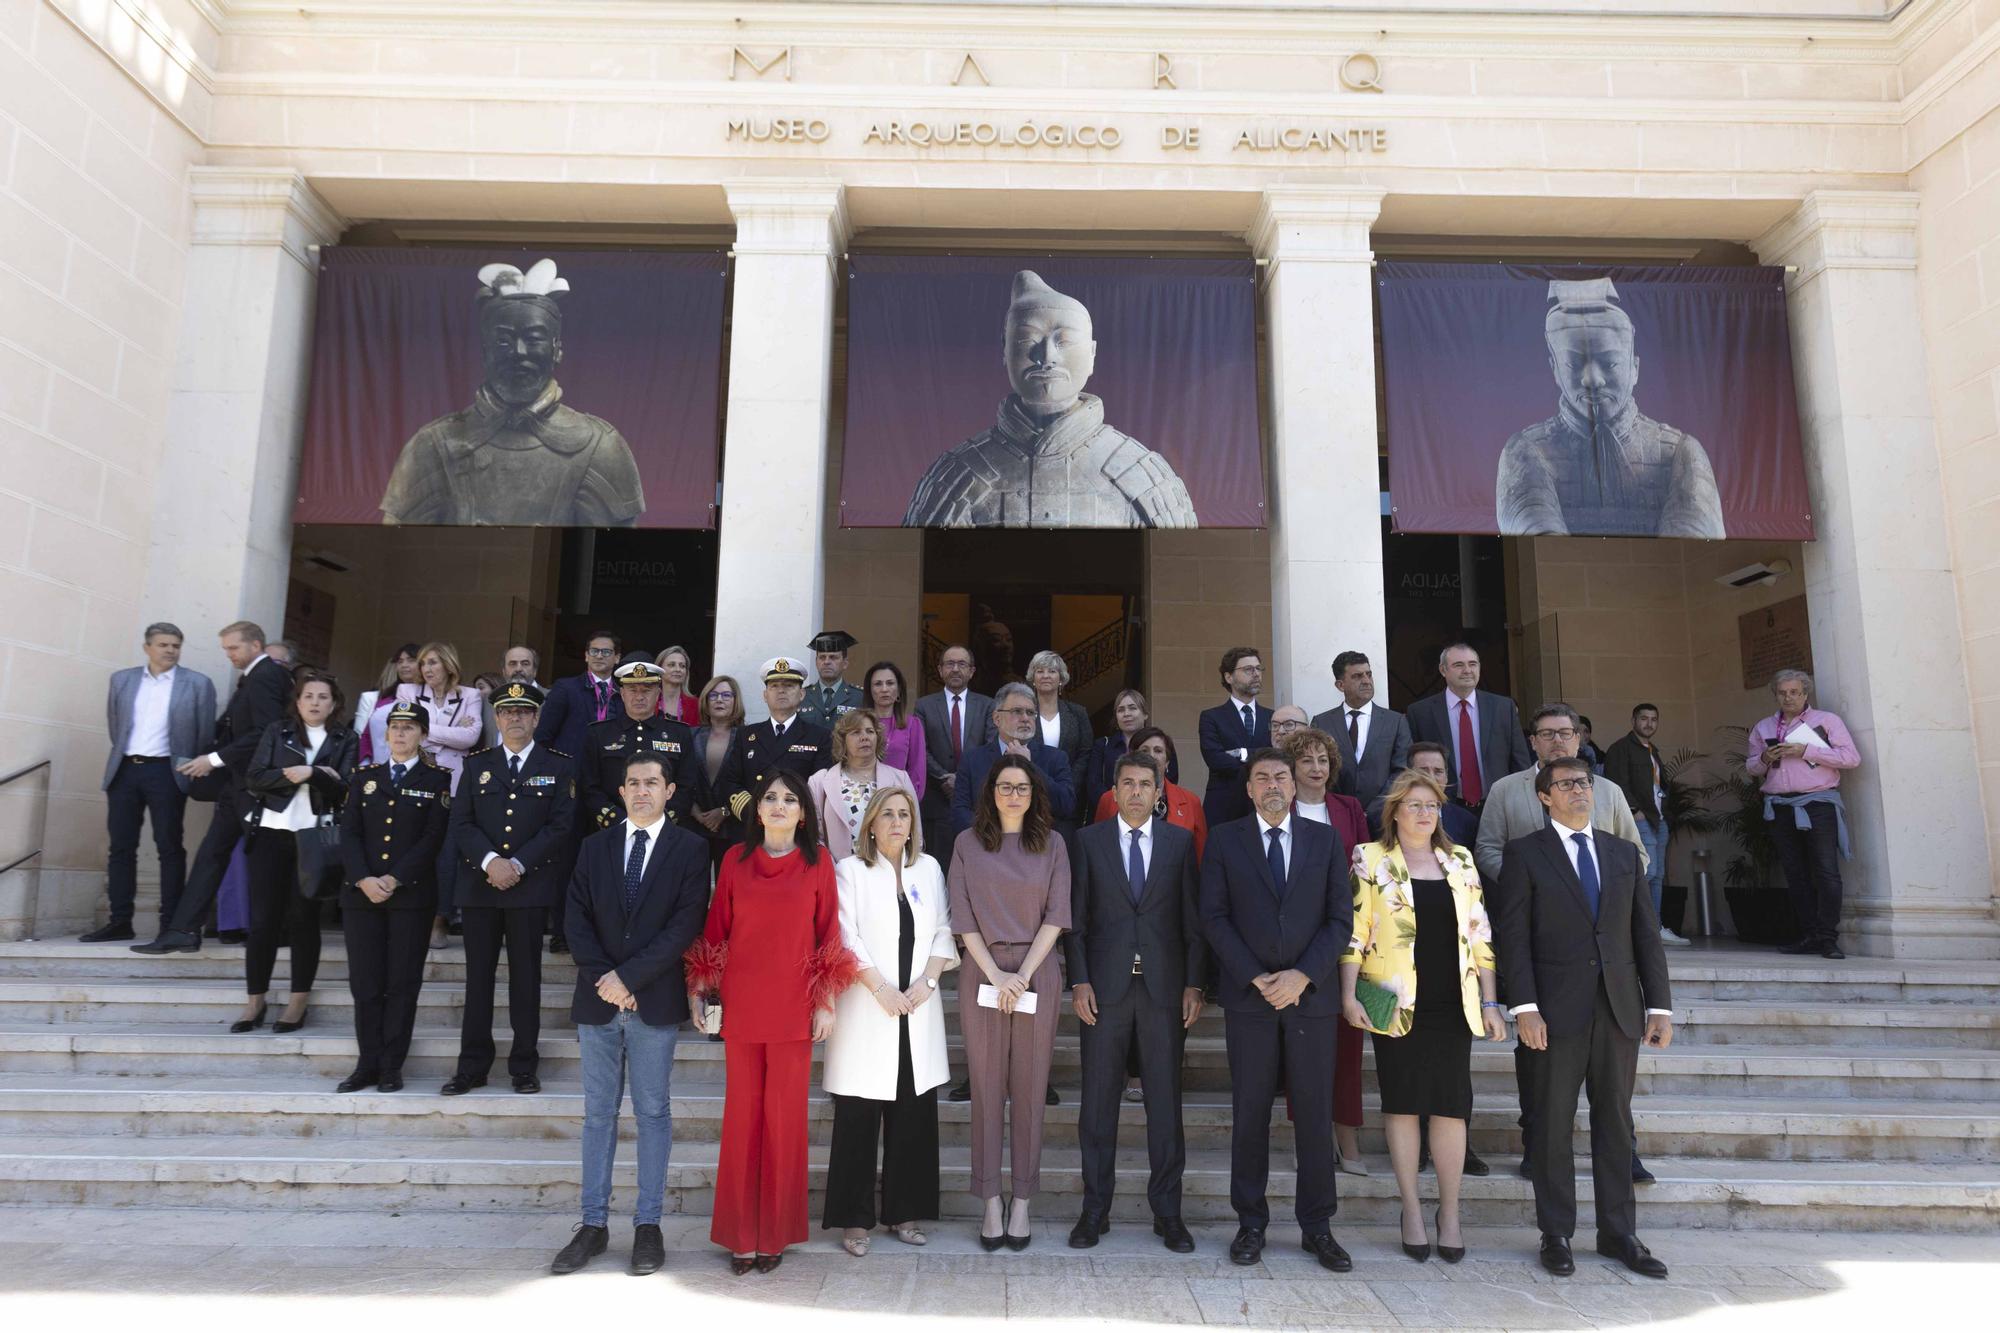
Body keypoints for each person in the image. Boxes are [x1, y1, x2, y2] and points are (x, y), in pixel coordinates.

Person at [1495, 757, 1675, 1280]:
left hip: (1619, 1008)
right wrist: (1523, 1006)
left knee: (1615, 1122)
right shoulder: (1525, 853)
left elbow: (1645, 933)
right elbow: (1514, 937)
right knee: (1552, 1123)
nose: (1578, 791)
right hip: (1552, 1011)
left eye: (1584, 783)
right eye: (1566, 784)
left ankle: (1620, 1233)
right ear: (1544, 796)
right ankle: (1556, 1234)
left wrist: (1658, 1004)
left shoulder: (1621, 853)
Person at [684, 769, 855, 1275]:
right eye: (770, 799)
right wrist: (699, 991)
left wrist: (826, 1000)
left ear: (804, 813)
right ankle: (741, 1235)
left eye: (789, 799)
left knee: (784, 1122)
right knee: (743, 1120)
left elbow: (829, 936)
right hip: (741, 1005)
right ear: (756, 811)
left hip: (794, 1008)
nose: (779, 805)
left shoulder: (819, 862)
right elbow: (715, 932)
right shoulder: (734, 860)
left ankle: (775, 1233)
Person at [1474, 702, 1649, 1182]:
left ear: (1580, 737)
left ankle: (1623, 1150)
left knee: (1611, 1069)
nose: (1557, 741)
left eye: (1565, 733)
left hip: (1603, 945)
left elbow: (1634, 854)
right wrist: (1529, 883)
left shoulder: (1606, 791)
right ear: (1532, 741)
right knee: (1539, 1054)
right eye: (1546, 734)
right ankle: (1539, 1143)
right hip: (1534, 940)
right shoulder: (1507, 790)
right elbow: (1487, 847)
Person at [550, 753, 710, 1278]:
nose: (642, 791)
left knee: (652, 1113)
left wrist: (631, 979)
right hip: (599, 1001)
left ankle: (648, 1226)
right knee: (598, 1114)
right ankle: (592, 1226)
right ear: (621, 792)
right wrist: (608, 980)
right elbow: (575, 918)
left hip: (653, 1002)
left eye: (652, 783)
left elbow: (685, 924)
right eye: (633, 783)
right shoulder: (594, 847)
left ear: (669, 791)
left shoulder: (690, 848)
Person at [1343, 769, 1508, 1264]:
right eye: (1414, 804)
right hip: (1394, 1002)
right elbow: (1355, 931)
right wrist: (1348, 996)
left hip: (1453, 1003)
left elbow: (1481, 936)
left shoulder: (1460, 860)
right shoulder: (1370, 859)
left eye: (1432, 805)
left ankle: (1450, 1213)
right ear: (1394, 812)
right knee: (1402, 1103)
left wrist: (1491, 1001)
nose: (1424, 813)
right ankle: (1412, 1208)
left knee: (1451, 1106)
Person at [1199, 748, 1353, 1272]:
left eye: (1280, 777)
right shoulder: (1224, 840)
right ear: (1248, 788)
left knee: (1314, 1114)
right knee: (1250, 1114)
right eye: (1261, 777)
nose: (1272, 784)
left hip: (1311, 999)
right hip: (1251, 999)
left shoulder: (1326, 840)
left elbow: (1339, 920)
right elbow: (1214, 917)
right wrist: (1257, 977)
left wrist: (1302, 975)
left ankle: (1318, 1227)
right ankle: (1251, 1223)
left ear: (1294, 786)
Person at [903, 269, 1197, 528]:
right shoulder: (957, 473)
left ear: (1092, 354)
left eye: (1064, 341)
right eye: (1026, 340)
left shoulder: (1143, 473)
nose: (1046, 357)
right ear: (1004, 351)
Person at [380, 257, 645, 527]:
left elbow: (614, 555)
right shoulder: (434, 444)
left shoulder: (599, 446)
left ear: (556, 349)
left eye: (533, 339)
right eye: (504, 340)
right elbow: (398, 551)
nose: (519, 352)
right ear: (485, 351)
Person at [1065, 751, 1206, 1253]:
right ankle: (1093, 1211)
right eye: (1128, 783)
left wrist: (1195, 984)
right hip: (1103, 992)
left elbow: (1193, 922)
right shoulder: (1087, 841)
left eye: (1147, 784)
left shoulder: (1179, 842)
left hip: (1164, 992)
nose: (1137, 792)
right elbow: (1076, 922)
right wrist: (1078, 981)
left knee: (1165, 1106)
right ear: (1115, 790)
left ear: (1159, 791)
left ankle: (1168, 1213)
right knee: (1097, 1106)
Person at [822, 789, 957, 1256]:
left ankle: (905, 1212)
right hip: (868, 1006)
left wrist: (928, 982)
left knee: (913, 1116)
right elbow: (845, 934)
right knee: (858, 1118)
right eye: (888, 815)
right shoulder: (851, 870)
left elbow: (943, 927)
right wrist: (880, 987)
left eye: (905, 814)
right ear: (871, 825)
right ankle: (854, 1221)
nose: (898, 822)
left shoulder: (930, 869)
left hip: (917, 1007)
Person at [1496, 276, 1725, 539]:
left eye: (1610, 363)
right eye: (1574, 363)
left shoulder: (1681, 453)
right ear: (1555, 370)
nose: (1592, 379)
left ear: (1634, 368)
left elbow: (1690, 547)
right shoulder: (1526, 452)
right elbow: (1541, 548)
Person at [949, 757, 1071, 1250]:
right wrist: (998, 973)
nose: (1013, 795)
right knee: (985, 1088)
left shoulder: (1054, 844)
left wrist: (1020, 975)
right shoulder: (966, 844)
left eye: (1022, 787)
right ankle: (990, 1201)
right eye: (1004, 786)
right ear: (990, 792)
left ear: (1033, 793)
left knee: (1029, 1087)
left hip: (1036, 972)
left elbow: (1057, 914)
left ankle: (1022, 1200)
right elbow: (962, 916)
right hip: (983, 968)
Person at [445, 682, 577, 1096]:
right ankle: (472, 1067)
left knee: (526, 980)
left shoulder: (558, 765)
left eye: (524, 712)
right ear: (496, 718)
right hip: (481, 886)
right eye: (507, 712)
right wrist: (491, 863)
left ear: (536, 718)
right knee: (478, 981)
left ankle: (523, 1066)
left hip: (529, 886)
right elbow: (461, 823)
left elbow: (560, 825)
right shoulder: (476, 765)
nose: (515, 718)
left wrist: (517, 864)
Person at [135, 621, 293, 955]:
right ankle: (183, 930)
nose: (229, 655)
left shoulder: (265, 675)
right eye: (226, 649)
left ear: (254, 645)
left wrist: (215, 759)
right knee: (211, 856)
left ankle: (273, 930)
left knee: (250, 859)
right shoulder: (254, 676)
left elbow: (267, 730)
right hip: (238, 786)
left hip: (252, 786)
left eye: (233, 648)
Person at [334, 701, 449, 1091]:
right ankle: (366, 1062)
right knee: (365, 983)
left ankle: (391, 1066)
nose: (400, 734)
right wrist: (365, 878)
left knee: (401, 982)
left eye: (409, 727)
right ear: (385, 734)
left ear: (423, 735)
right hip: (361, 896)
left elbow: (433, 837)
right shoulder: (363, 777)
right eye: (394, 727)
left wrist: (395, 878)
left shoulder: (438, 780)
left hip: (410, 897)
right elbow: (348, 833)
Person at [236, 668, 358, 1035]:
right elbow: (255, 777)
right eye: (309, 696)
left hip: (315, 840)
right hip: (272, 834)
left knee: (304, 921)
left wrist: (312, 774)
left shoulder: (344, 738)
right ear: (298, 702)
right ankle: (254, 1000)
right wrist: (304, 772)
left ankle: (296, 1002)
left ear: (334, 703)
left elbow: (346, 787)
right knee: (262, 922)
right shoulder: (278, 731)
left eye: (323, 697)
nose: (315, 703)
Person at [1280, 727, 1371, 1173]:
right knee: (1302, 1047)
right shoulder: (1282, 809)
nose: (1317, 769)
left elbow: (1367, 869)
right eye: (1307, 761)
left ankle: (1347, 1135)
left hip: (1346, 938)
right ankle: (1308, 1138)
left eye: (1323, 761)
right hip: (1295, 942)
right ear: (1291, 769)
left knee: (1348, 1044)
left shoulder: (1349, 808)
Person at [90, 623, 216, 942]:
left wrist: (184, 766)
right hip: (125, 770)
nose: (170, 650)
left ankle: (170, 921)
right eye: (163, 645)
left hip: (168, 772)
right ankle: (120, 920)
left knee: (169, 846)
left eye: (175, 645)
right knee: (121, 847)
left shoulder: (198, 684)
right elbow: (115, 725)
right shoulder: (122, 679)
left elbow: (203, 735)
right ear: (147, 647)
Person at [1747, 669, 1861, 960]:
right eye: (1783, 692)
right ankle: (1809, 934)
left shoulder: (1826, 721)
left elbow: (1850, 758)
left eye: (1794, 692)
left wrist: (1806, 750)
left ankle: (1827, 937)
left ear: (1805, 694)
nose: (1789, 697)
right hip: (1781, 808)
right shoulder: (1763, 727)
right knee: (1796, 874)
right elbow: (1751, 768)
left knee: (1826, 873)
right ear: (1776, 695)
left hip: (1817, 804)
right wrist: (1764, 758)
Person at [399, 642, 483, 951]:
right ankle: (411, 915)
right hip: (414, 780)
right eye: (423, 664)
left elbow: (471, 737)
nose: (427, 669)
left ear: (448, 665)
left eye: (433, 662)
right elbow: (406, 731)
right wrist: (447, 734)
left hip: (454, 785)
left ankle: (440, 918)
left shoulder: (469, 695)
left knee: (447, 855)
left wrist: (425, 730)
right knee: (409, 847)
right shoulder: (408, 693)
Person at [1405, 642, 1533, 814]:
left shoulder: (1503, 707)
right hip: (1444, 807)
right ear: (1443, 670)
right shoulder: (1420, 712)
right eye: (1459, 665)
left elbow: (1520, 762)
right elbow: (1411, 766)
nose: (1467, 670)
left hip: (1497, 807)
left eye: (1472, 664)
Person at [713, 656, 837, 826]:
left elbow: (820, 788)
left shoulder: (820, 737)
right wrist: (755, 813)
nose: (781, 691)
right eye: (774, 686)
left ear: (801, 694)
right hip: (751, 826)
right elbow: (729, 781)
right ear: (765, 695)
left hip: (797, 827)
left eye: (788, 685)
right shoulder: (746, 735)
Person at [1603, 704, 1689, 947]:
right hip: (1640, 818)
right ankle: (1634, 926)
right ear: (1633, 720)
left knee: (1658, 875)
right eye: (1644, 718)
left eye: (1653, 719)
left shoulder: (1652, 750)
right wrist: (1634, 811)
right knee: (1646, 872)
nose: (1649, 723)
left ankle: (1654, 927)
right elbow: (1615, 783)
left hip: (1658, 818)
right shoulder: (1621, 748)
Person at [579, 659, 699, 833]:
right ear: (622, 693)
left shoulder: (678, 733)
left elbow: (686, 784)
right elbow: (589, 785)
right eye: (632, 690)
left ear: (658, 693)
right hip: (612, 829)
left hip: (664, 830)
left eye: (647, 690)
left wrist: (660, 821)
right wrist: (619, 821)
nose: (639, 696)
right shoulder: (599, 733)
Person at [950, 682, 1076, 837]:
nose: (1025, 718)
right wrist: (992, 836)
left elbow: (1066, 806)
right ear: (997, 718)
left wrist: (1030, 766)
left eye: (1030, 713)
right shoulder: (972, 759)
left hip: (1038, 849)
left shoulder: (1056, 757)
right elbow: (960, 811)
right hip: (987, 847)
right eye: (1017, 711)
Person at [914, 644, 992, 871]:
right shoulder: (924, 705)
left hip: (976, 799)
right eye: (949, 664)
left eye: (962, 664)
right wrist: (943, 777)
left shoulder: (987, 705)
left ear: (972, 671)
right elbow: (921, 748)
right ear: (940, 670)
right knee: (939, 864)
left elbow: (990, 746)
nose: (956, 669)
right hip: (937, 799)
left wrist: (963, 778)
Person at [809, 710, 918, 861]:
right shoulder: (820, 781)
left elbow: (915, 833)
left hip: (889, 871)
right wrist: (833, 870)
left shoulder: (900, 779)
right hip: (840, 874)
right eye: (855, 732)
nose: (864, 737)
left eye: (870, 731)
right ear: (843, 740)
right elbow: (815, 838)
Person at [1312, 650, 1412, 810]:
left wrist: (1376, 808)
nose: (1366, 681)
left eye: (1369, 674)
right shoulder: (1322, 723)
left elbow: (1402, 770)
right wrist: (1340, 806)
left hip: (1383, 815)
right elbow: (1316, 770)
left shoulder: (1396, 721)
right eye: (1357, 676)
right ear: (1340, 685)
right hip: (1337, 813)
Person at [1091, 727, 1207, 854]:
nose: (1152, 756)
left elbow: (1200, 856)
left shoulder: (1191, 802)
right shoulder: (1108, 799)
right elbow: (1099, 850)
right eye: (1144, 750)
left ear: (1167, 761)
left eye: (1158, 751)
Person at [1197, 648, 1271, 827]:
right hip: (1224, 807)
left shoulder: (1273, 718)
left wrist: (1242, 753)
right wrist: (1262, 759)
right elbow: (1216, 759)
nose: (1256, 674)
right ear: (1229, 677)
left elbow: (1278, 754)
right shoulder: (1211, 717)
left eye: (1258, 669)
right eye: (1248, 669)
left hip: (1266, 805)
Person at [1081, 687, 1176, 820]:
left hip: (1153, 815)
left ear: (1145, 714)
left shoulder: (1161, 743)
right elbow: (1093, 784)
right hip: (1110, 815)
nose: (1127, 713)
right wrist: (1120, 806)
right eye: (1121, 710)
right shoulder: (1102, 745)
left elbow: (1170, 779)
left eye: (1132, 708)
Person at [535, 629, 622, 762]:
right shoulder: (566, 688)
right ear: (586, 656)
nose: (599, 656)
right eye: (594, 651)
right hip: (570, 770)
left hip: (609, 768)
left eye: (606, 652)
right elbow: (544, 735)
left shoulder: (622, 693)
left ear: (617, 658)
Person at [1026, 650, 1091, 820]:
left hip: (1067, 798)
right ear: (1033, 678)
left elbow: (1085, 752)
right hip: (1029, 797)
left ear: (1061, 679)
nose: (1045, 675)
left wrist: (1068, 784)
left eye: (1052, 671)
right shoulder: (1024, 713)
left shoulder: (1078, 713)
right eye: (1040, 671)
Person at [688, 674, 745, 866]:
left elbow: (751, 782)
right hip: (694, 825)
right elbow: (681, 776)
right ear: (705, 700)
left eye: (726, 695)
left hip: (732, 827)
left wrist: (725, 811)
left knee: (728, 889)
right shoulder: (691, 735)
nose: (719, 700)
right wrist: (693, 809)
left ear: (735, 701)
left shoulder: (748, 738)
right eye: (713, 695)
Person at [863, 660, 927, 801]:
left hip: (898, 800)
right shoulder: (859, 724)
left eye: (890, 683)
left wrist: (909, 803)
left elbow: (917, 772)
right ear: (870, 690)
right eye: (878, 684)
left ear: (898, 690)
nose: (884, 689)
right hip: (863, 799)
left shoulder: (912, 724)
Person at [1396, 743, 1480, 846]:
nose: (1431, 778)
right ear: (1407, 774)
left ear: (1446, 777)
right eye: (1423, 771)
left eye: (1438, 771)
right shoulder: (1387, 818)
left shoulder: (1467, 822)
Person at [354, 644, 421, 764]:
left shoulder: (431, 697)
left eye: (411, 660)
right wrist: (365, 764)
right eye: (400, 662)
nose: (404, 665)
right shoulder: (385, 698)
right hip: (379, 769)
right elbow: (367, 735)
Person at [800, 630, 865, 729]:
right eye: (822, 657)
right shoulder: (802, 696)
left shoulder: (859, 697)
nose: (826, 662)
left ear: (845, 663)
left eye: (833, 657)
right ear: (816, 662)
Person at [653, 644, 701, 725]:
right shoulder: (649, 701)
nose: (678, 669)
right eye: (671, 665)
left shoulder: (696, 704)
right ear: (659, 669)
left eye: (682, 666)